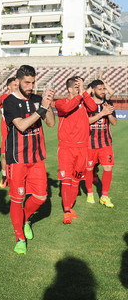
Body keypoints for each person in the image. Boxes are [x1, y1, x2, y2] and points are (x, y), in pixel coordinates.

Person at [3, 65, 55, 254]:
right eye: (27, 82)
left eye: (33, 82)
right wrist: (41, 109)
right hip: (17, 159)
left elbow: (50, 123)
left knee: (41, 197)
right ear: (17, 82)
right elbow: (22, 126)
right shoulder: (9, 102)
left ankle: (24, 219)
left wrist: (47, 105)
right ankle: (19, 237)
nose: (31, 86)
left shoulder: (36, 99)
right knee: (17, 199)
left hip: (37, 157)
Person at [55, 76, 98, 224]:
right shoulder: (61, 102)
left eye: (80, 86)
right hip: (66, 147)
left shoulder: (84, 102)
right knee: (66, 179)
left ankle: (70, 208)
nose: (79, 89)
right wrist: (80, 94)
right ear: (69, 88)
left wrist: (84, 93)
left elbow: (93, 108)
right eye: (76, 86)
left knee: (76, 180)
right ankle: (66, 211)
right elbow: (67, 109)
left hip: (82, 148)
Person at [84, 79, 116, 207]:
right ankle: (90, 193)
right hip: (89, 144)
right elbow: (85, 122)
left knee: (108, 168)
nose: (103, 91)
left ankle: (104, 196)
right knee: (89, 169)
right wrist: (101, 114)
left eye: (104, 89)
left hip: (105, 143)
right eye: (100, 89)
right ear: (93, 90)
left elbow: (114, 122)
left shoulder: (108, 103)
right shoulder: (87, 104)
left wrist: (108, 114)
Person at [0, 77, 18, 188]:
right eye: (15, 85)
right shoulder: (4, 98)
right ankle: (5, 176)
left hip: (18, 132)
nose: (17, 87)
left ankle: (15, 177)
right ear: (8, 87)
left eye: (17, 85)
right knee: (6, 156)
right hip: (6, 133)